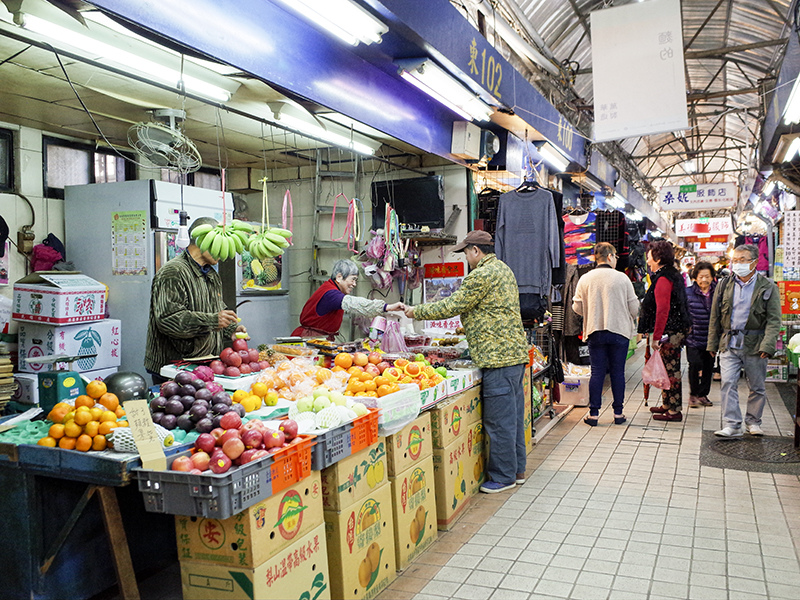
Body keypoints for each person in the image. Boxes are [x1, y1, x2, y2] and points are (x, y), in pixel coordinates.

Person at [403, 230, 529, 494]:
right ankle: (516, 470)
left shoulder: (482, 274)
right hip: (512, 356)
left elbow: (453, 305)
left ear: (475, 251)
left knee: (499, 422)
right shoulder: (503, 269)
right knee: (513, 418)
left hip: (497, 358)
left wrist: (415, 311)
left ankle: (503, 477)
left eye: (466, 253)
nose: (466, 258)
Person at [144, 217, 247, 384]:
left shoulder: (211, 274)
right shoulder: (173, 272)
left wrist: (232, 329)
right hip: (175, 367)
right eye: (218, 245)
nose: (223, 252)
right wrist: (213, 320)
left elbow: (216, 308)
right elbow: (168, 320)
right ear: (202, 241)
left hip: (204, 364)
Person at [708, 244, 781, 438]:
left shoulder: (768, 287)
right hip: (729, 342)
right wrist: (712, 344)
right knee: (728, 383)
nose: (737, 264)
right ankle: (732, 424)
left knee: (757, 386)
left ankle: (753, 421)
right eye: (735, 260)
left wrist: (768, 344)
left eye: (742, 260)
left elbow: (774, 320)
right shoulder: (724, 285)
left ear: (754, 262)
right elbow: (714, 316)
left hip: (755, 344)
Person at [572, 242, 640, 426]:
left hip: (595, 331)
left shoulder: (585, 279)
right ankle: (618, 413)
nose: (617, 259)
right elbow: (634, 308)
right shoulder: (622, 278)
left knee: (597, 372)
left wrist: (592, 311)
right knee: (618, 372)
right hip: (619, 332)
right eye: (616, 256)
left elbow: (576, 307)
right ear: (610, 256)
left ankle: (593, 414)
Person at [637, 241, 691, 422]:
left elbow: (663, 310)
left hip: (671, 331)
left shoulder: (663, 278)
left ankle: (674, 410)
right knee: (667, 369)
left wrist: (657, 336)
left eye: (650, 257)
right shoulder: (671, 274)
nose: (648, 261)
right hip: (676, 328)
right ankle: (667, 404)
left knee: (671, 370)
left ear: (658, 258)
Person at [292, 259, 403, 340]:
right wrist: (387, 307)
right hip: (308, 341)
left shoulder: (330, 289)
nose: (354, 284)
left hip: (317, 339)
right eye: (353, 279)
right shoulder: (330, 294)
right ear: (339, 277)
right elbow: (354, 303)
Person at [685, 262, 717, 408]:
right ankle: (693, 393)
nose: (704, 279)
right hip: (693, 336)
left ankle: (703, 394)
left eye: (707, 276)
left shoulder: (718, 292)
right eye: (701, 276)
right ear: (695, 277)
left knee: (708, 366)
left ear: (712, 277)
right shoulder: (687, 292)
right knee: (695, 364)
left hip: (711, 337)